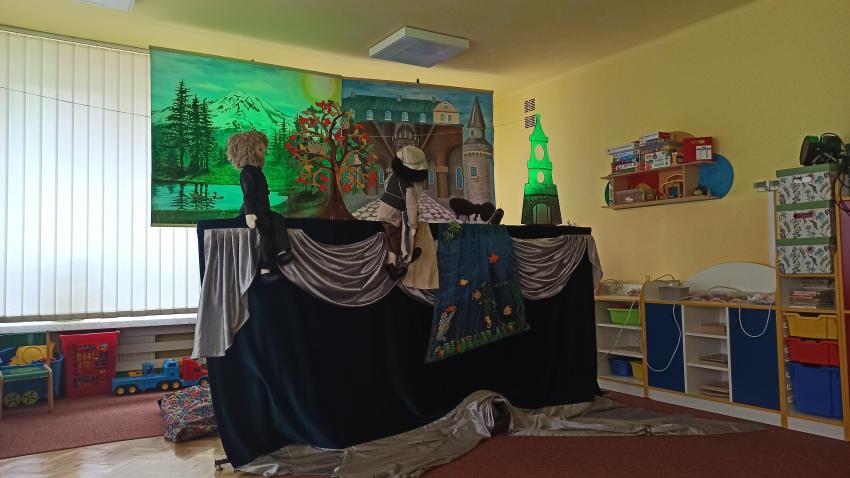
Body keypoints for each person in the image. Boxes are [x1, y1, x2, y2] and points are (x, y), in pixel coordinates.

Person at [226, 130, 293, 281]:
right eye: (260, 149)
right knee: (265, 230)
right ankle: (265, 270)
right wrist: (249, 214)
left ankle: (282, 251)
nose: (264, 152)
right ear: (248, 150)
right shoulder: (247, 173)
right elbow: (248, 195)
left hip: (262, 210)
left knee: (277, 218)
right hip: (252, 211)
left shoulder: (256, 171)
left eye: (263, 149)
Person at [377, 145, 429, 279]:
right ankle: (393, 267)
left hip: (385, 210)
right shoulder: (409, 188)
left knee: (394, 237)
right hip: (392, 215)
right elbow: (412, 209)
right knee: (397, 238)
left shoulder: (393, 177)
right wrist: (414, 225)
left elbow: (386, 185)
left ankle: (406, 255)